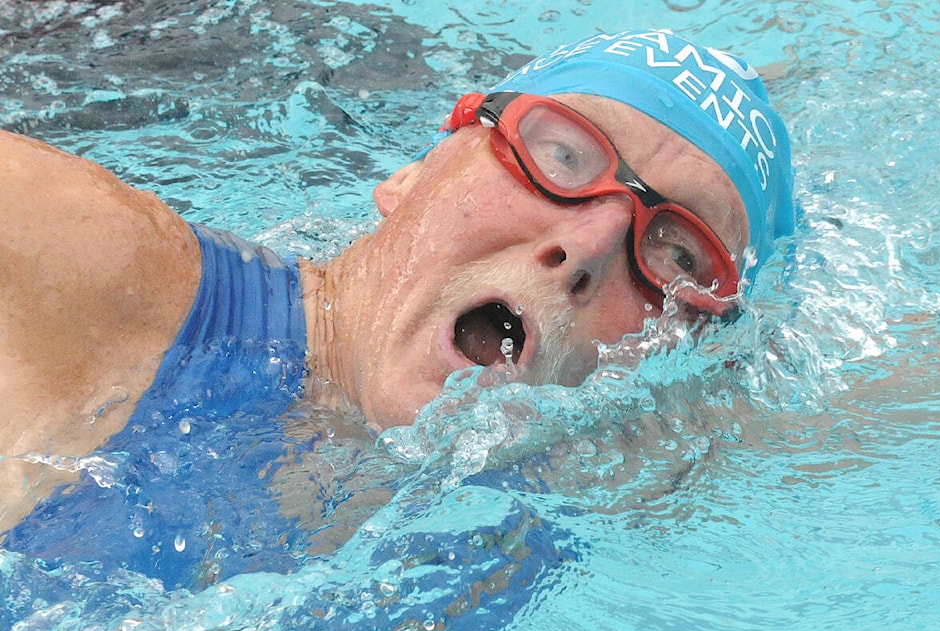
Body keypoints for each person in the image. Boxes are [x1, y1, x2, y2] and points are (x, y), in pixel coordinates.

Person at [0, 28, 794, 588]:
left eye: (678, 254)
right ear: (413, 173)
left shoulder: (620, 476)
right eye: (560, 154)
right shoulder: (97, 271)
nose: (586, 247)